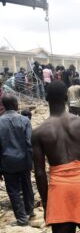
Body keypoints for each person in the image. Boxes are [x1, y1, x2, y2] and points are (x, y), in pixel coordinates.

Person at [32, 81, 80, 233]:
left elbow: (40, 173)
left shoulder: (39, 132)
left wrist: (47, 202)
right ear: (66, 98)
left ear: (46, 99)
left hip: (59, 191)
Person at [0, 95, 34, 226]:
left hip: (7, 162)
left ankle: (21, 218)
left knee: (13, 190)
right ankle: (29, 211)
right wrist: (30, 161)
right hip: (24, 160)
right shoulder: (24, 120)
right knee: (27, 185)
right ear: (16, 105)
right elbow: (29, 143)